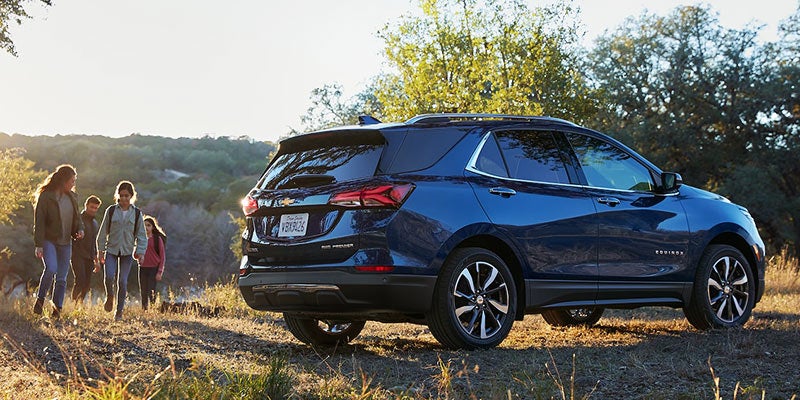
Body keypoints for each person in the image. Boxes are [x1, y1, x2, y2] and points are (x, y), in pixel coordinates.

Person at [32, 164, 85, 319]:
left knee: (61, 278)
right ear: (63, 180)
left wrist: (80, 229)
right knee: (51, 269)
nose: (74, 184)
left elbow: (78, 218)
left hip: (66, 242)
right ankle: (40, 300)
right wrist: (38, 244)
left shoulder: (73, 197)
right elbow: (39, 221)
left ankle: (57, 309)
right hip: (49, 240)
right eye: (72, 181)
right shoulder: (46, 196)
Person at [96, 181, 147, 321]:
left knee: (122, 282)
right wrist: (100, 251)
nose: (124, 198)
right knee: (108, 277)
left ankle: (119, 311)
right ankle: (110, 296)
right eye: (121, 195)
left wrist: (141, 252)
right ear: (118, 195)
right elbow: (102, 233)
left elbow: (142, 235)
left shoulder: (136, 214)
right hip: (111, 250)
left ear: (131, 196)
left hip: (127, 252)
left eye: (127, 196)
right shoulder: (111, 211)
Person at [71, 195, 101, 305]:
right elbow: (72, 234)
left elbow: (94, 243)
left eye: (96, 208)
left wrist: (96, 261)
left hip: (89, 257)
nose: (93, 210)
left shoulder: (95, 223)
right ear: (86, 205)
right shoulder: (78, 219)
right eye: (92, 207)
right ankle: (74, 305)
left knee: (87, 284)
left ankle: (79, 304)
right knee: (80, 280)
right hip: (77, 254)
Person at [139, 216, 166, 311]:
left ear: (153, 227)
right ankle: (144, 310)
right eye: (144, 225)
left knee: (152, 291)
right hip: (142, 268)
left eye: (148, 225)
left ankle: (154, 310)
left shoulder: (157, 239)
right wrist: (138, 256)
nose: (146, 227)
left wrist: (160, 271)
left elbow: (162, 256)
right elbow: (135, 254)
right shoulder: (140, 239)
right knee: (143, 291)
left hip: (153, 268)